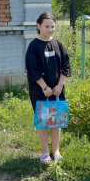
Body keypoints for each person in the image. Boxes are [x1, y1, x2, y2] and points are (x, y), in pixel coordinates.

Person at [25, 12, 71, 164]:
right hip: (40, 90)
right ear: (39, 26)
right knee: (44, 119)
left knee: (56, 119)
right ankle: (45, 152)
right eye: (47, 26)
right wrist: (44, 87)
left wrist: (59, 85)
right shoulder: (33, 46)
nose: (50, 29)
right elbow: (32, 69)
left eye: (52, 26)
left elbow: (66, 66)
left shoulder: (58, 44)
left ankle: (56, 150)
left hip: (57, 90)